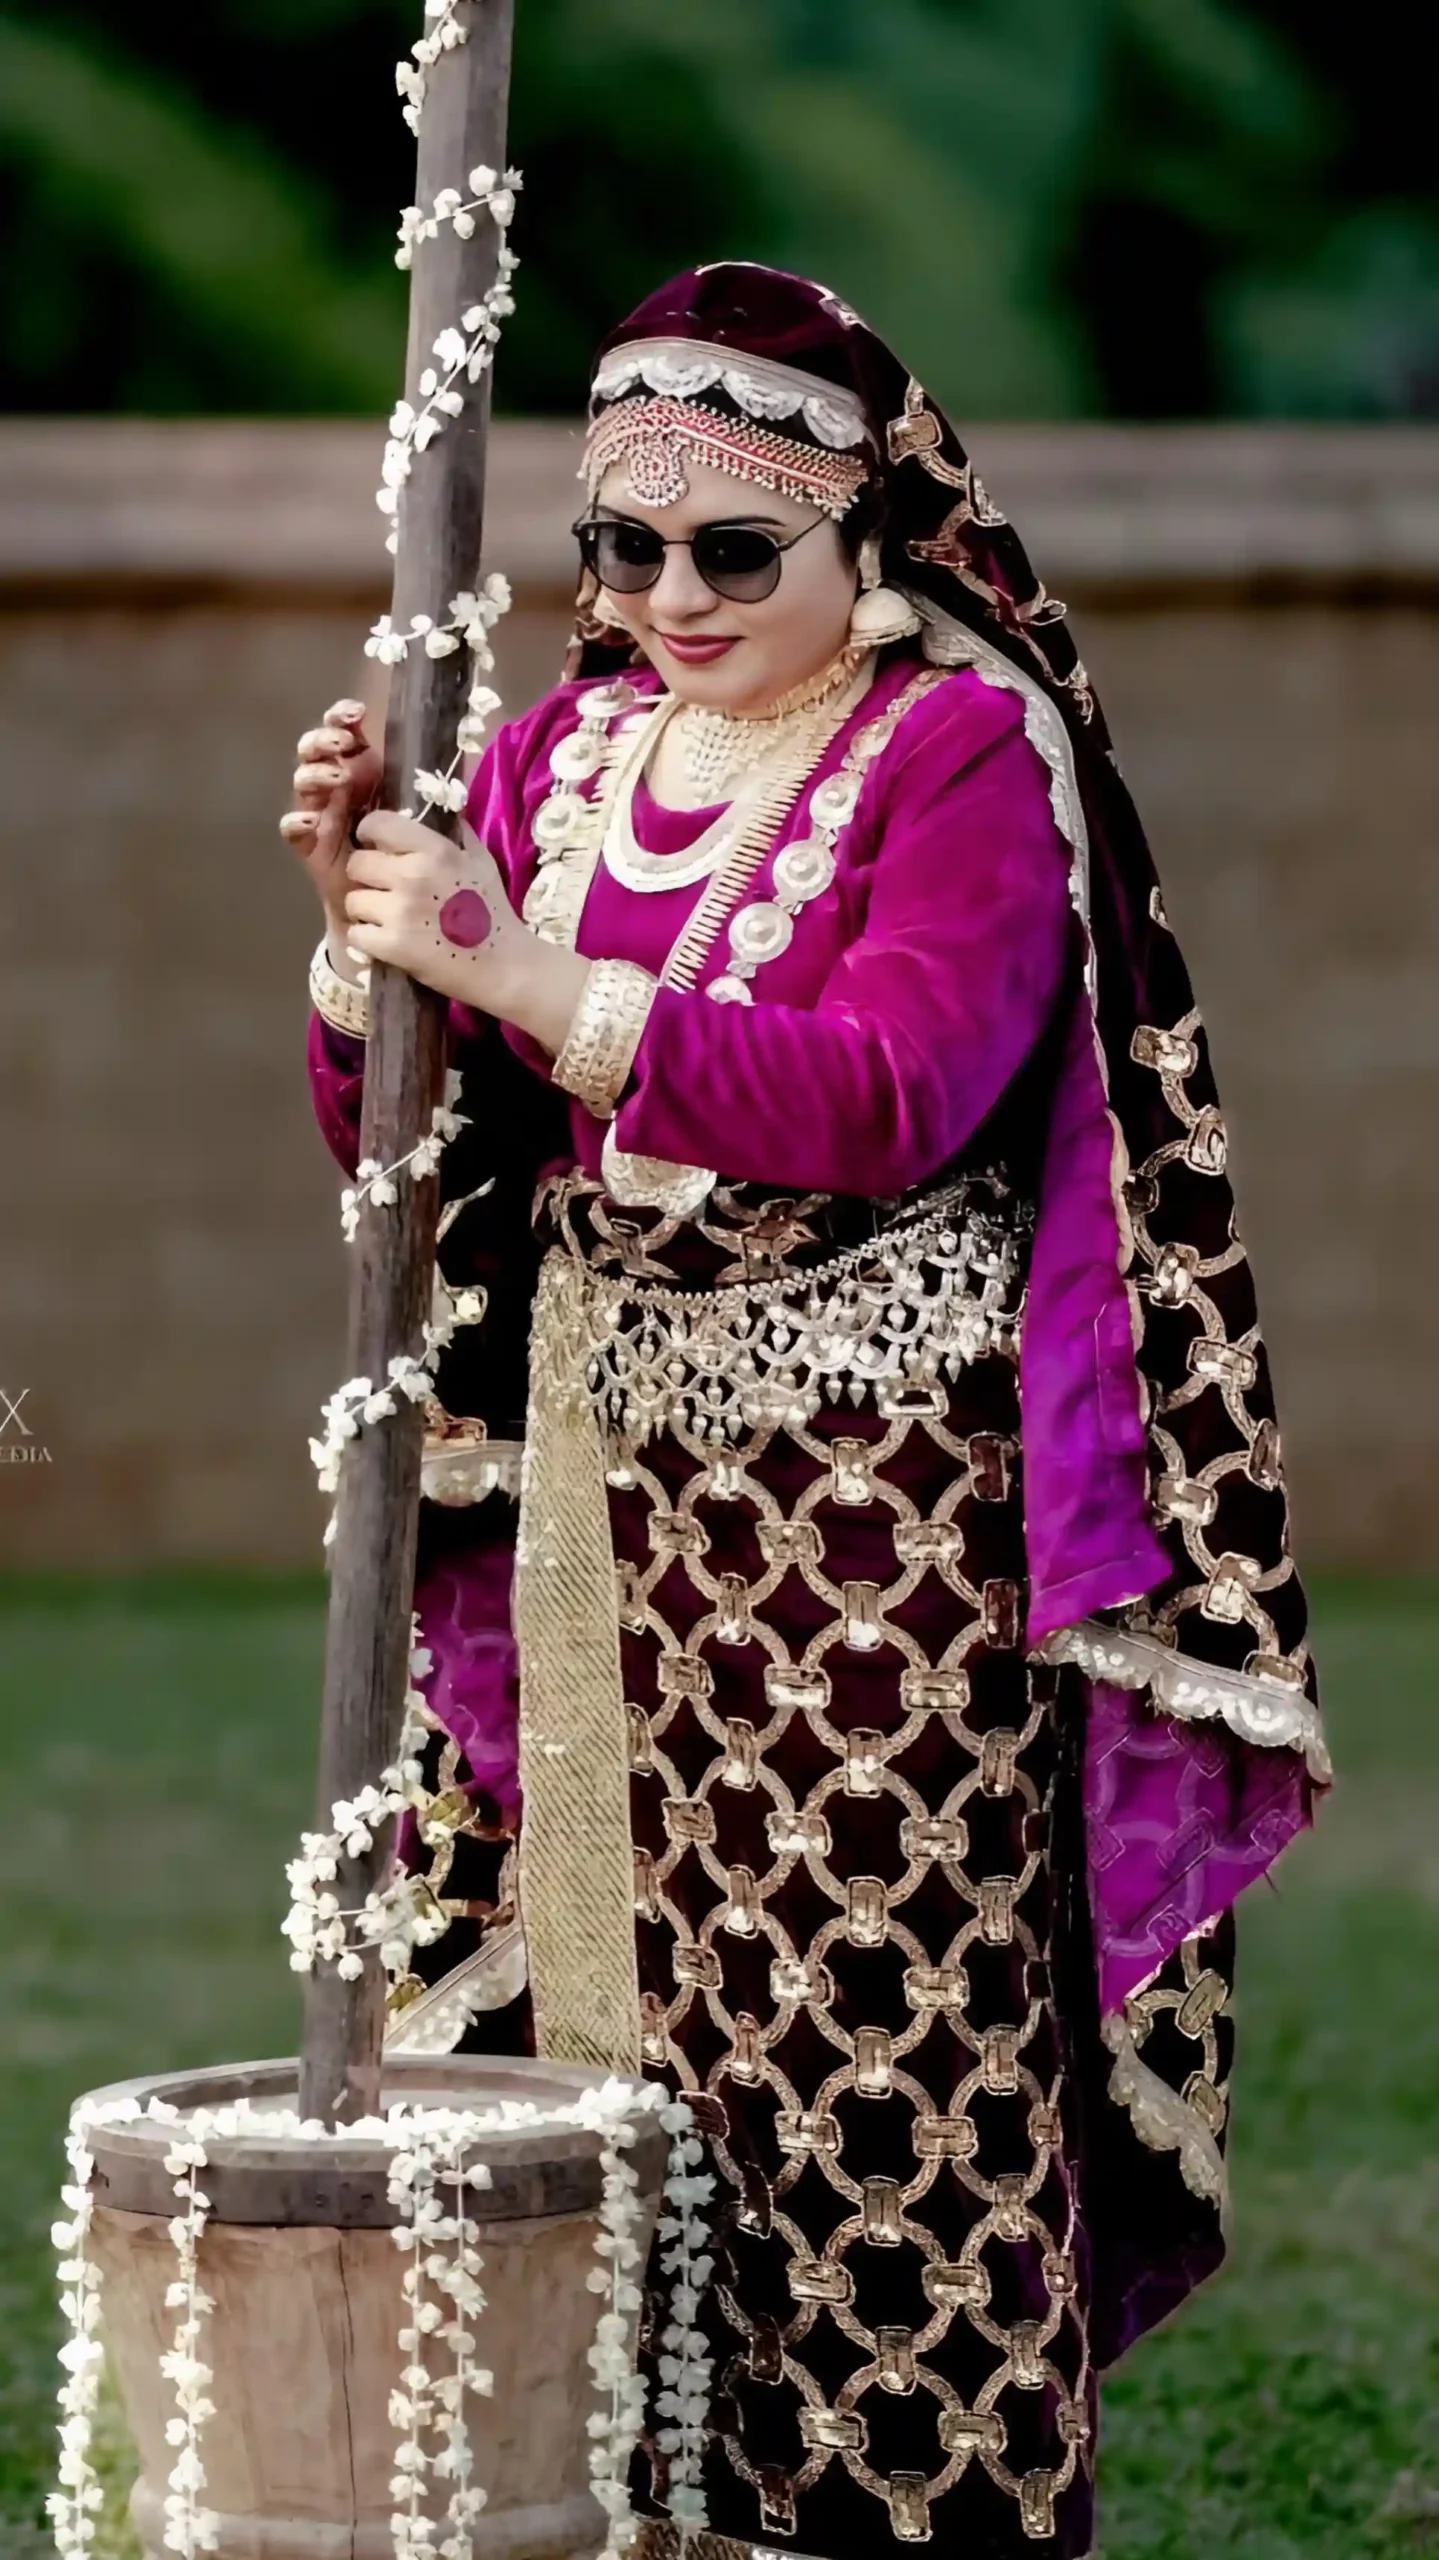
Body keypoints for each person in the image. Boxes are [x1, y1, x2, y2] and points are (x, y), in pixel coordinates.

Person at [282, 264, 1329, 2560]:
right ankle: (618, 2510)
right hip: (601, 1495)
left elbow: (882, 1092)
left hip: (876, 1530)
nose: (664, 597)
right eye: (621, 547)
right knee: (602, 2018)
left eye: (730, 550)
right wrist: (369, 940)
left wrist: (514, 961)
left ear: (866, 532)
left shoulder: (959, 744)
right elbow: (433, 1142)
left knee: (870, 2050)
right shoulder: (564, 748)